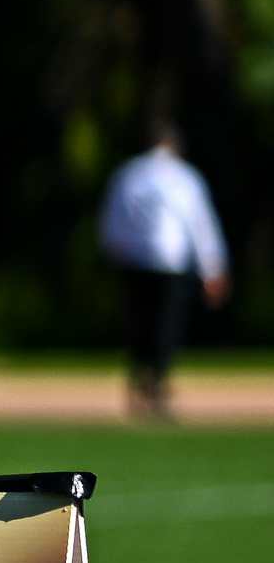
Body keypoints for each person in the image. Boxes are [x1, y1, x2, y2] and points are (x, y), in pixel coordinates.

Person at [99, 117, 230, 420]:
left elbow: (112, 218)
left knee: (138, 321)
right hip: (171, 260)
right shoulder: (184, 177)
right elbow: (200, 224)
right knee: (166, 324)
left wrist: (113, 253)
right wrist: (213, 267)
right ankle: (156, 380)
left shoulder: (128, 174)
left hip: (133, 260)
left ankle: (138, 375)